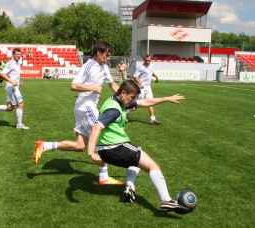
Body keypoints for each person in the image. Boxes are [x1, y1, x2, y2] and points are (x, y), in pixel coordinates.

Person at [87, 79, 188, 213]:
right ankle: (166, 200)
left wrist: (167, 98)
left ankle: (129, 186)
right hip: (115, 147)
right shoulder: (114, 109)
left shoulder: (117, 100)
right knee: (153, 166)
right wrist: (91, 151)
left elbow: (144, 102)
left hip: (108, 149)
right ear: (123, 92)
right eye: (132, 97)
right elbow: (96, 127)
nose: (133, 101)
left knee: (136, 160)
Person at [33, 41, 123, 185]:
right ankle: (103, 177)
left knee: (80, 146)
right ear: (98, 52)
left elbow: (112, 85)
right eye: (106, 55)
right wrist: (93, 88)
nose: (108, 58)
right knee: (102, 134)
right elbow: (73, 86)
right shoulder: (89, 66)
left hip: (82, 108)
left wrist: (124, 96)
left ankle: (45, 145)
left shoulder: (104, 67)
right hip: (86, 107)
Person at [0, 48, 29, 130]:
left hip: (12, 86)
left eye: (20, 55)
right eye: (17, 54)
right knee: (20, 104)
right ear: (13, 55)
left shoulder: (17, 63)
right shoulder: (11, 63)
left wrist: (19, 82)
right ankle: (19, 125)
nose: (19, 56)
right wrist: (12, 82)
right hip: (12, 87)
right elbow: (2, 73)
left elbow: (12, 75)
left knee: (9, 107)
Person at [126, 54, 161, 124]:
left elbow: (151, 72)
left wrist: (156, 77)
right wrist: (140, 83)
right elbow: (135, 76)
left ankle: (152, 119)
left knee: (151, 102)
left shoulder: (151, 66)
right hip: (141, 88)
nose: (147, 62)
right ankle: (125, 113)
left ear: (150, 60)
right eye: (146, 60)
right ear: (144, 60)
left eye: (148, 61)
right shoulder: (141, 67)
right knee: (138, 104)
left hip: (148, 87)